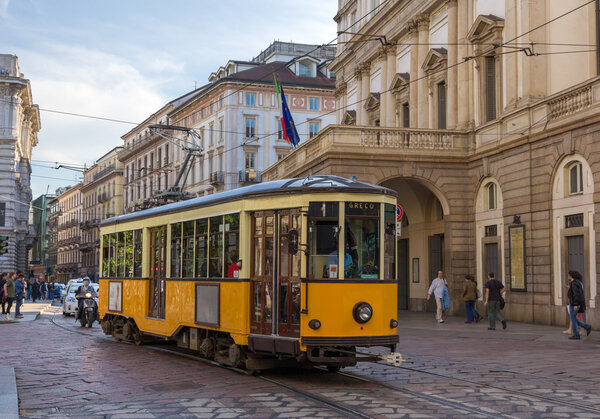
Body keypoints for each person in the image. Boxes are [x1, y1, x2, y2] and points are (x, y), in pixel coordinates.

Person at [567, 270, 591, 340]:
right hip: (576, 303)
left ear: (571, 276)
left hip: (574, 303)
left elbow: (576, 295)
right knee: (573, 318)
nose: (568, 276)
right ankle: (586, 326)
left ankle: (576, 334)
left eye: (569, 275)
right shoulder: (578, 282)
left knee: (573, 319)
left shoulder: (573, 283)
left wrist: (575, 304)